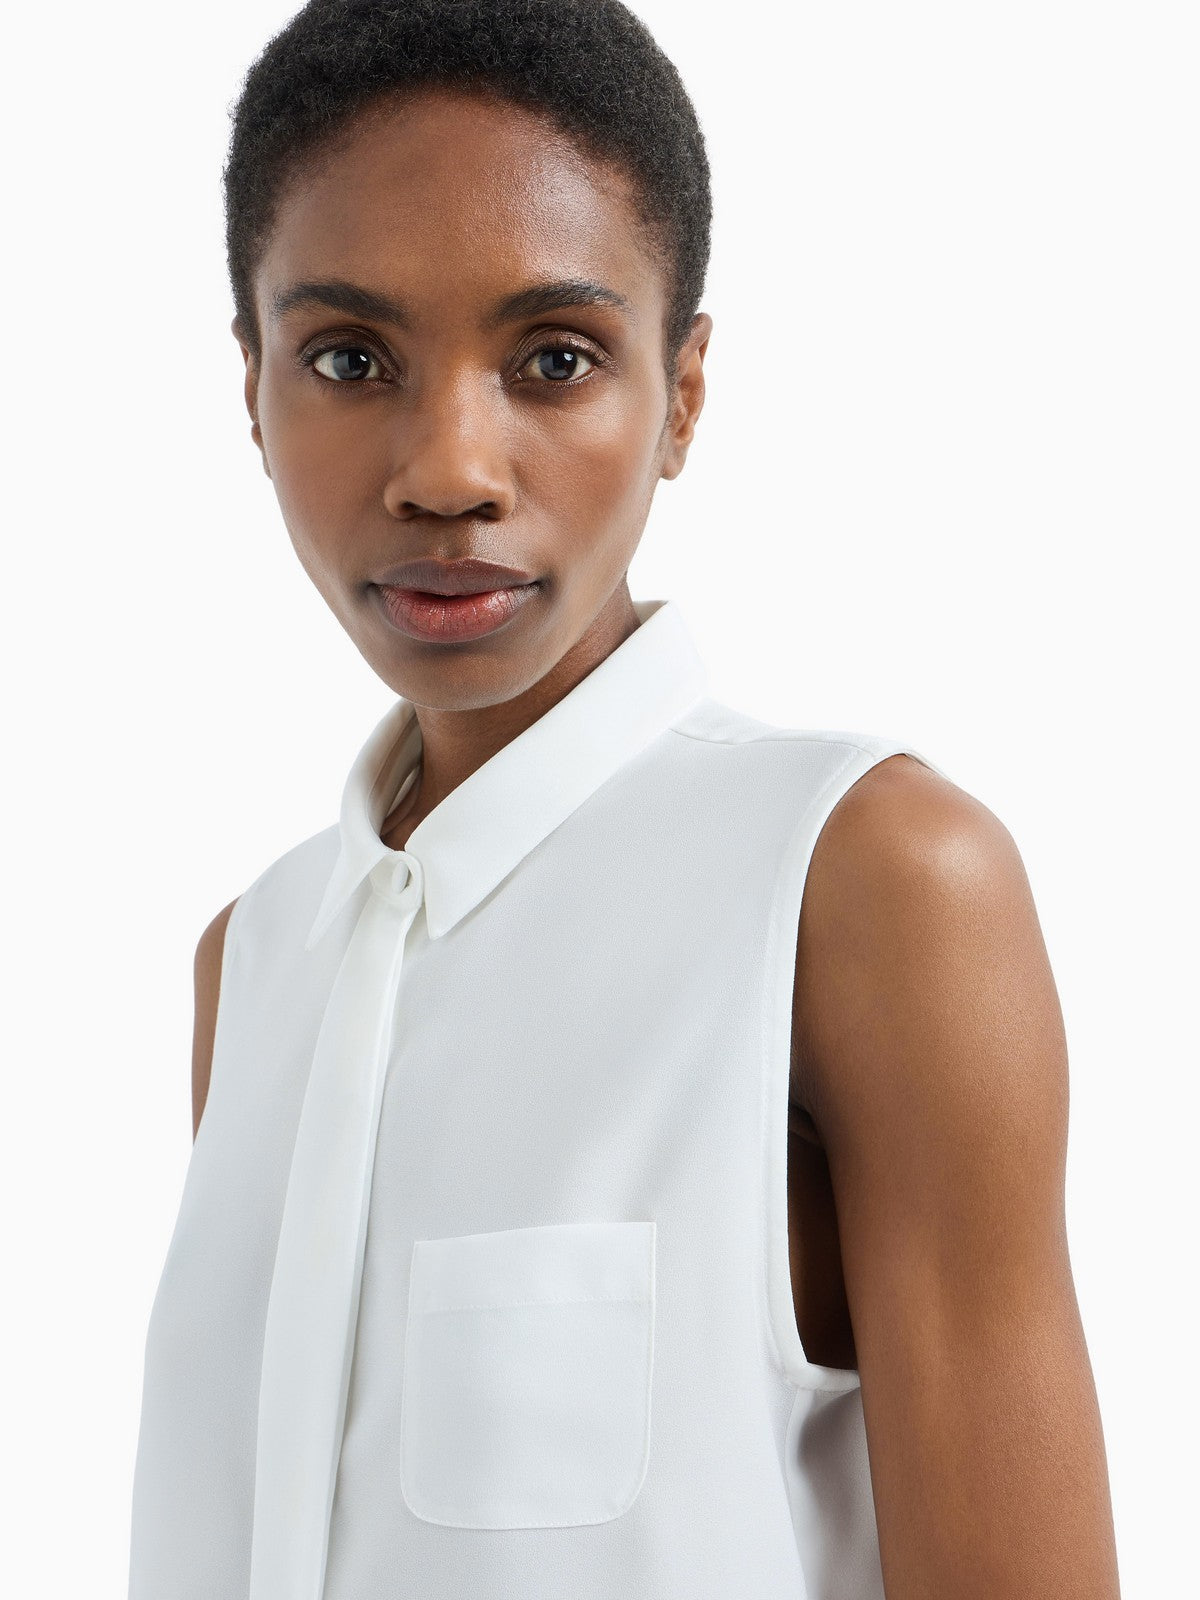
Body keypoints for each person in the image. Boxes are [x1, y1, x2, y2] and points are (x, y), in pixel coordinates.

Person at [127, 2, 1122, 1597]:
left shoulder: (864, 880)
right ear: (252, 387)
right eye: (350, 359)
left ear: (685, 394)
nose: (449, 469)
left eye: (555, 359)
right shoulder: (253, 962)